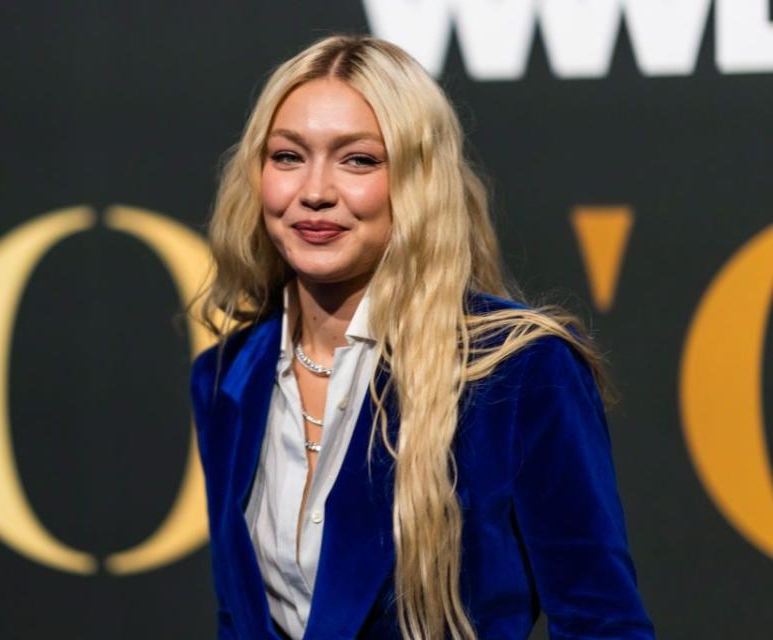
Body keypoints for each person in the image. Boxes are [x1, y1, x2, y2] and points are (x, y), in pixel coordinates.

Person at [189, 34, 655, 640]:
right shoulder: (228, 376)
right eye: (287, 156)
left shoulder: (518, 369)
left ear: (417, 180)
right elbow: (240, 618)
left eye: (358, 159)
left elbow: (601, 622)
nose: (314, 191)